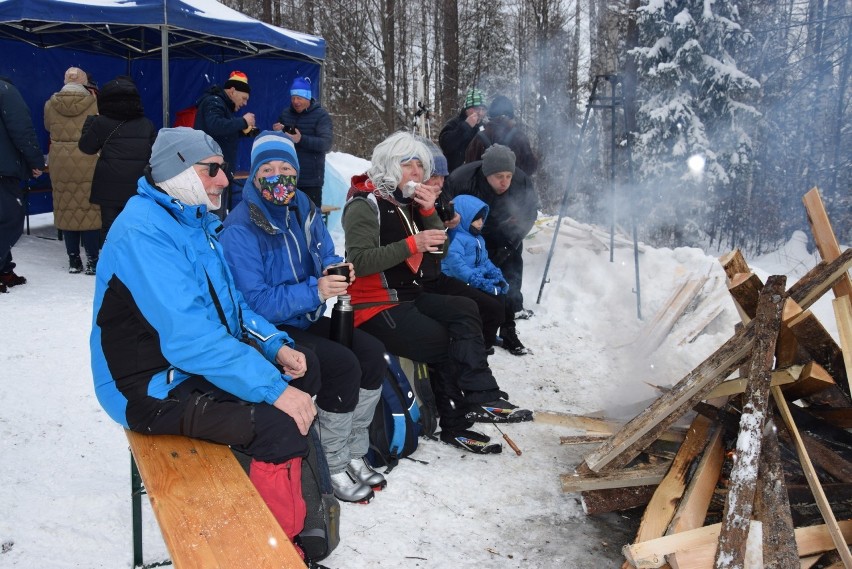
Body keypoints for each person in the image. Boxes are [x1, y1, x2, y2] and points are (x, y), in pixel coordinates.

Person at [90, 127, 319, 548]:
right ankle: (272, 548)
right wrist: (269, 388)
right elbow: (190, 338)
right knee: (277, 424)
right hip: (146, 384)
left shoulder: (192, 220)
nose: (223, 179)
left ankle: (282, 510)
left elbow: (233, 309)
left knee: (306, 372)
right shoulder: (144, 231)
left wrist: (275, 345)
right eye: (212, 169)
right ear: (176, 171)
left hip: (184, 365)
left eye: (224, 169)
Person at [342, 131, 532, 456]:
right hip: (373, 305)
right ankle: (456, 423)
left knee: (465, 307)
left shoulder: (408, 202)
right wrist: (411, 244)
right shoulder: (365, 204)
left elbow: (439, 253)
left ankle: (479, 394)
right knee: (445, 342)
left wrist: (430, 212)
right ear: (388, 165)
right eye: (408, 164)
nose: (416, 172)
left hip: (407, 296)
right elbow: (360, 260)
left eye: (420, 165)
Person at [220, 131, 386, 502]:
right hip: (268, 330)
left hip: (303, 316)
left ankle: (353, 450)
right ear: (254, 174)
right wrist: (316, 290)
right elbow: (254, 303)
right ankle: (330, 461)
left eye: (285, 169)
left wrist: (335, 269)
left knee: (371, 352)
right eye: (268, 169)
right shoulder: (241, 228)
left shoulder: (301, 206)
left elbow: (323, 249)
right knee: (341, 363)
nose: (279, 178)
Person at [418, 140, 505, 355]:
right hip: (423, 284)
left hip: (435, 277)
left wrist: (492, 274)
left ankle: (482, 344)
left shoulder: (441, 202)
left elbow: (445, 250)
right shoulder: (409, 206)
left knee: (495, 304)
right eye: (433, 176)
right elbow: (451, 259)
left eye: (442, 177)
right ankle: (472, 349)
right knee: (473, 307)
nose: (439, 183)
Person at [447, 144, 539, 322]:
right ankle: (476, 305)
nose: (505, 182)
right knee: (472, 264)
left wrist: (511, 242)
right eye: (499, 177)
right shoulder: (462, 179)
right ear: (486, 173)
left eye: (508, 176)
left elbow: (529, 214)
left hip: (505, 227)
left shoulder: (522, 181)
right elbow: (447, 209)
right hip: (470, 229)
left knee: (512, 262)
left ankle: (513, 306)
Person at [441, 194, 528, 355]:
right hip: (458, 282)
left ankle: (489, 334)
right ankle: (483, 342)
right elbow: (457, 266)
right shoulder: (456, 239)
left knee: (502, 297)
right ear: (465, 218)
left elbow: (485, 261)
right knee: (491, 306)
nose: (481, 223)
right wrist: (477, 280)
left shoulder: (478, 239)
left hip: (475, 279)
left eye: (482, 219)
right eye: (476, 219)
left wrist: (495, 274)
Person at [79, 75, 156, 238]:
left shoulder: (101, 122)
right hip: (137, 186)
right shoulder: (146, 123)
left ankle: (111, 261)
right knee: (136, 229)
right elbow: (155, 154)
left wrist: (89, 123)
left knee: (110, 230)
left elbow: (86, 148)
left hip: (108, 186)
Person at [43, 67, 101, 274]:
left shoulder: (51, 103)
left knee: (66, 207)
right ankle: (93, 260)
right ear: (84, 81)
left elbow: (49, 127)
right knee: (89, 209)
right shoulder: (93, 101)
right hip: (87, 156)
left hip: (60, 159)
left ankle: (73, 260)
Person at [193, 70, 259, 219]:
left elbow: (224, 132)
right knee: (215, 214)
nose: (244, 103)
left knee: (220, 213)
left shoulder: (222, 105)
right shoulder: (213, 101)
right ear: (232, 91)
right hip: (211, 171)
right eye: (243, 98)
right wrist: (242, 121)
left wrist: (245, 131)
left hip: (218, 170)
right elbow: (215, 125)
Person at [0, 76, 44, 293]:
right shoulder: (6, 91)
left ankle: (4, 270)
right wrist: (35, 162)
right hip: (4, 171)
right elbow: (22, 131)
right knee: (11, 221)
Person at [272, 77, 333, 208]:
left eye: (299, 98)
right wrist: (279, 132)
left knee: (310, 219)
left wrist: (301, 139)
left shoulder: (321, 115)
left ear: (308, 97)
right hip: (286, 177)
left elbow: (326, 144)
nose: (295, 102)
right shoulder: (286, 114)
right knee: (286, 216)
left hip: (311, 180)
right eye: (293, 98)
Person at [464, 95, 538, 176]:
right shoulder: (519, 136)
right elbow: (530, 166)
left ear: (491, 115)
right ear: (510, 116)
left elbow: (469, 166)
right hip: (515, 188)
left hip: (483, 188)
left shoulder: (480, 136)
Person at [438, 87, 486, 173]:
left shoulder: (483, 127)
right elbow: (446, 145)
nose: (481, 113)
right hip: (455, 176)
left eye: (483, 109)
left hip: (477, 176)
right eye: (477, 109)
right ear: (467, 109)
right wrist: (466, 126)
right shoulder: (454, 123)